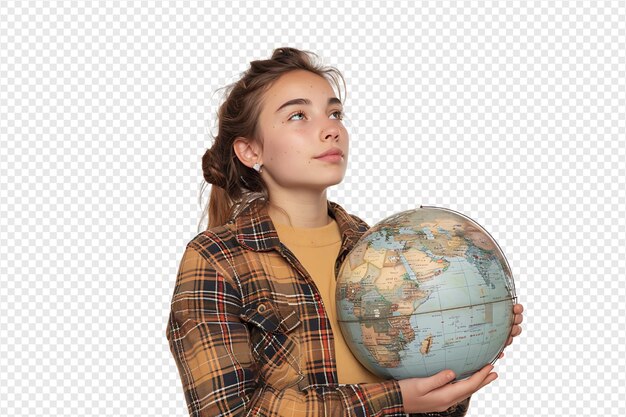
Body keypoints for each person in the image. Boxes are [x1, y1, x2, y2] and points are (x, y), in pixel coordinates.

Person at [166, 46, 524, 417]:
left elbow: (424, 400)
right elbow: (229, 412)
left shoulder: (379, 249)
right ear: (250, 150)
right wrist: (394, 399)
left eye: (335, 113)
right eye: (298, 115)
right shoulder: (217, 259)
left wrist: (470, 339)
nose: (331, 129)